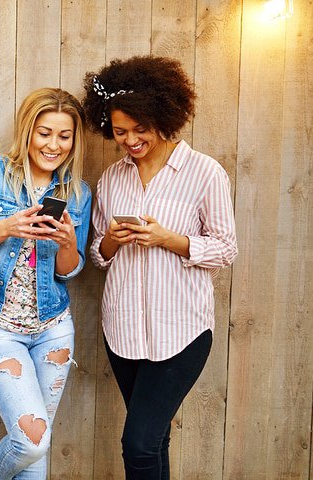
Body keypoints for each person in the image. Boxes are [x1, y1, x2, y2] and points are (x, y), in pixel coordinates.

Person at [83, 55, 238, 479]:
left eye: (140, 129)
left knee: (138, 443)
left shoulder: (205, 173)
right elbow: (97, 253)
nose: (130, 140)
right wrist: (112, 240)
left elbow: (225, 249)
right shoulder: (112, 178)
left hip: (181, 332)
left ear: (164, 117)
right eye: (119, 131)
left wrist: (171, 240)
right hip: (123, 331)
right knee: (154, 441)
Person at [0, 88, 92, 479]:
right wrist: (6, 227)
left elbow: (68, 271)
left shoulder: (77, 192)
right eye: (44, 132)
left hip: (54, 328)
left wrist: (66, 244)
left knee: (38, 446)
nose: (54, 144)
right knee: (32, 440)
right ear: (28, 130)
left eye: (65, 136)